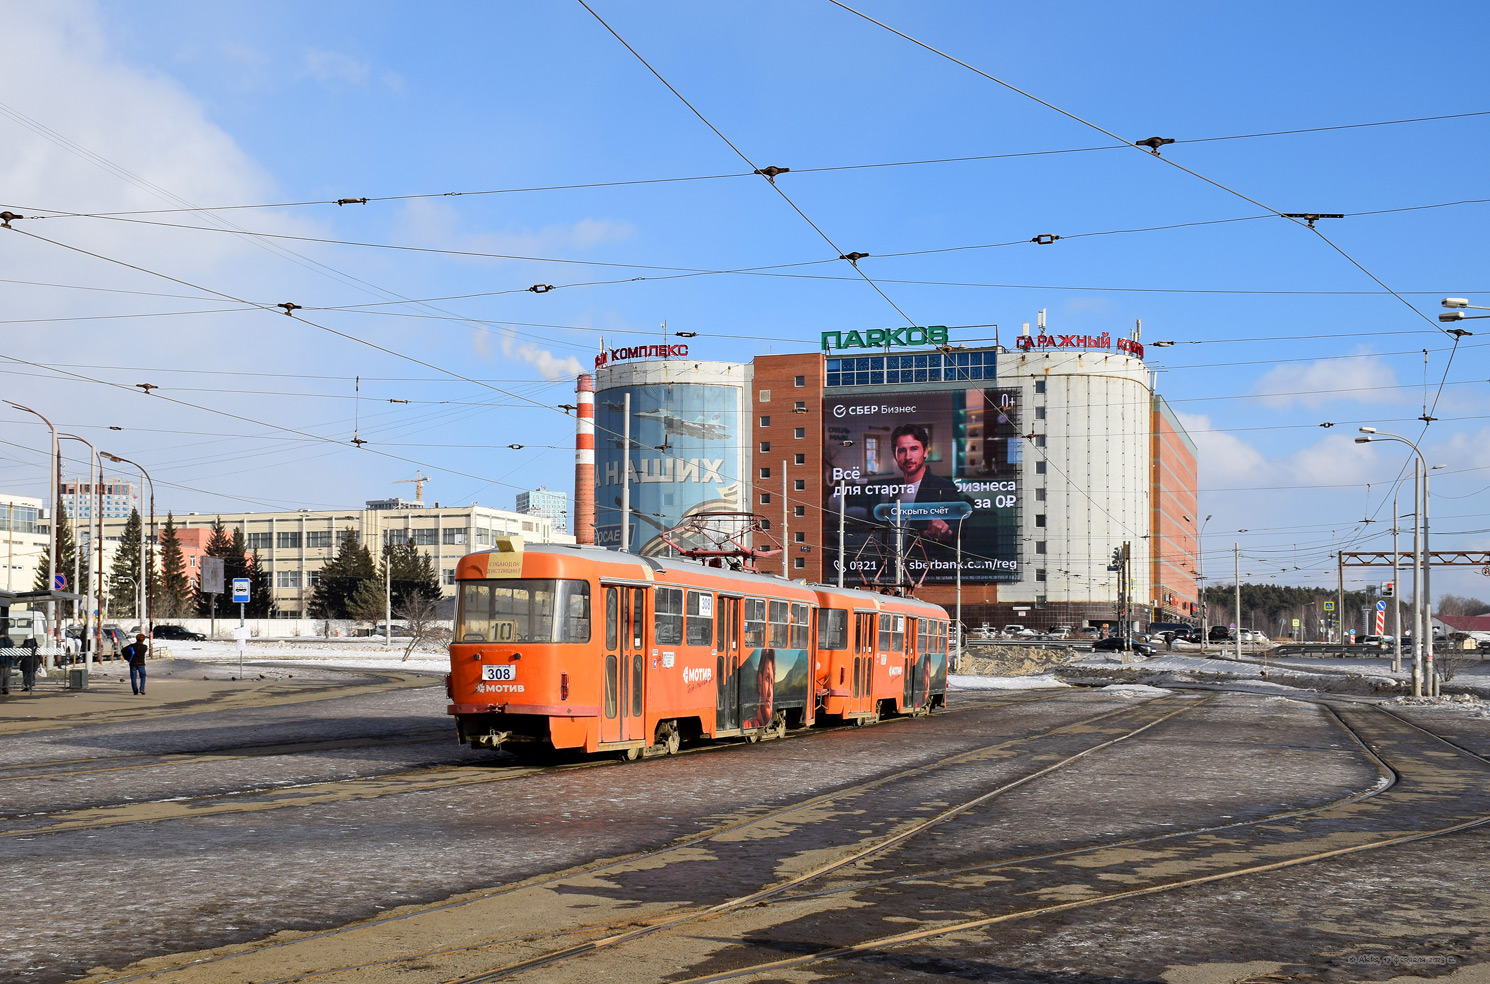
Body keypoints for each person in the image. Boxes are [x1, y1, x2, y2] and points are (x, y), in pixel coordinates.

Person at [743, 649, 775, 729]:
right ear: (760, 681)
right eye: (767, 679)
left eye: (772, 682)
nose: (769, 693)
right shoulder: (747, 723)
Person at [0, 629, 13, 695]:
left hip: (1, 662)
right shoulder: (10, 641)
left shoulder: (1, 641)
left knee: (1, 676)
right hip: (8, 662)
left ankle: (1, 688)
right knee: (7, 676)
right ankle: (6, 689)